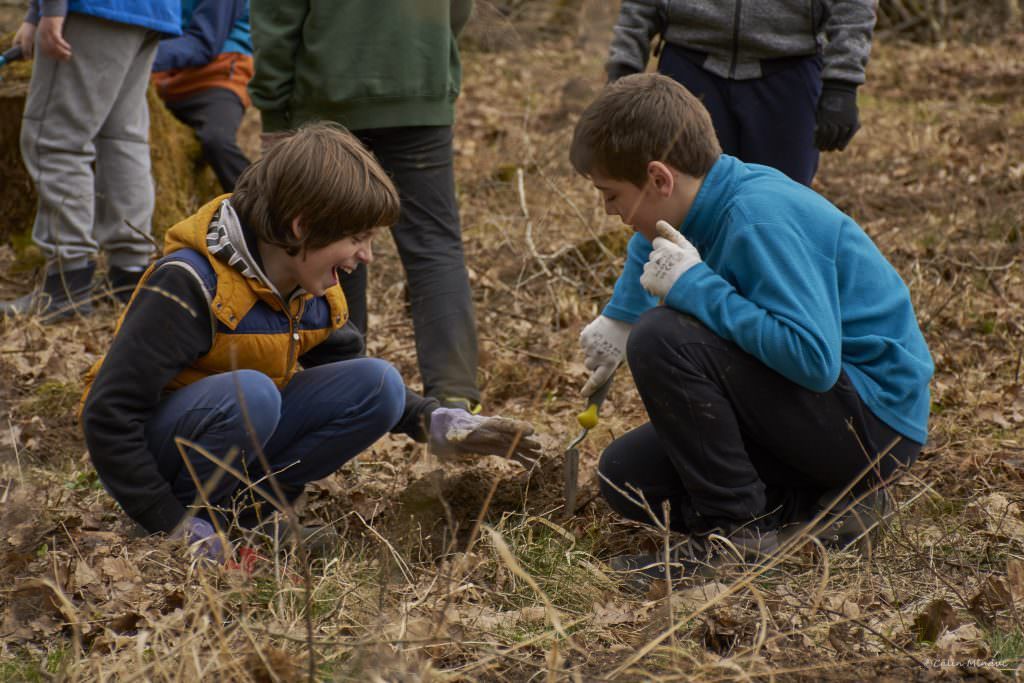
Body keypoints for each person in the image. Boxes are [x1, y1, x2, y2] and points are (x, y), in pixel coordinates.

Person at [78, 123, 540, 562]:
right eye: (357, 238)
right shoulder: (188, 284)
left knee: (379, 383)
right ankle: (184, 526)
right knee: (253, 395)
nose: (366, 256)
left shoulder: (310, 285)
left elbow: (353, 381)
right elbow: (108, 415)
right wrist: (169, 522)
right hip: (162, 466)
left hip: (229, 439)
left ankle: (241, 520)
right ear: (301, 227)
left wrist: (437, 420)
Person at [571, 74, 932, 583]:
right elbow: (651, 242)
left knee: (662, 336)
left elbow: (813, 360)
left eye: (611, 195)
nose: (608, 210)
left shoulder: (758, 218)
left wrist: (694, 286)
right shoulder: (699, 198)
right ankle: (827, 510)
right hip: (819, 417)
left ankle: (734, 539)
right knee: (626, 477)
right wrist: (618, 317)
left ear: (658, 179)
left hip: (872, 422)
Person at [248, 0, 481, 412]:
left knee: (330, 240)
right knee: (435, 245)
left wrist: (272, 106)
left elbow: (277, 13)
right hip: (419, 82)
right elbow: (460, 8)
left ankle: (348, 391)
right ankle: (454, 397)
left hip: (325, 93)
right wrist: (430, 52)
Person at [2, 0, 181, 320]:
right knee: (122, 139)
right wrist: (35, 13)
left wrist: (52, 10)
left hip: (92, 7)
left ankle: (66, 285)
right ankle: (128, 276)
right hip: (153, 12)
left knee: (55, 141)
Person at [605, 0, 876, 186]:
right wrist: (624, 67)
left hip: (789, 72)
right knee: (682, 207)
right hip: (688, 66)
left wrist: (842, 83)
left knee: (778, 210)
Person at [151, 0, 252, 193]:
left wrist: (140, 53)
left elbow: (205, 43)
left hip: (218, 75)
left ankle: (261, 204)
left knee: (217, 139)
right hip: (165, 74)